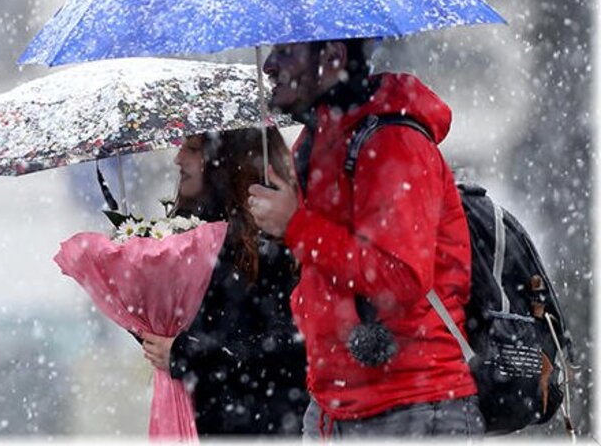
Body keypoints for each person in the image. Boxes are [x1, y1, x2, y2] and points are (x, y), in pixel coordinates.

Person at [247, 39, 484, 439]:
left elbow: (401, 279)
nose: (269, 65)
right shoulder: (315, 141)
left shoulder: (394, 142)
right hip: (331, 408)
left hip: (413, 409)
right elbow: (327, 266)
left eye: (286, 51)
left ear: (334, 57)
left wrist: (296, 226)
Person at [140, 126, 309, 437]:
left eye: (191, 148)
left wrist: (187, 355)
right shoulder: (189, 234)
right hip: (205, 420)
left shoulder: (273, 237)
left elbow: (291, 342)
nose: (178, 159)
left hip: (268, 424)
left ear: (225, 157)